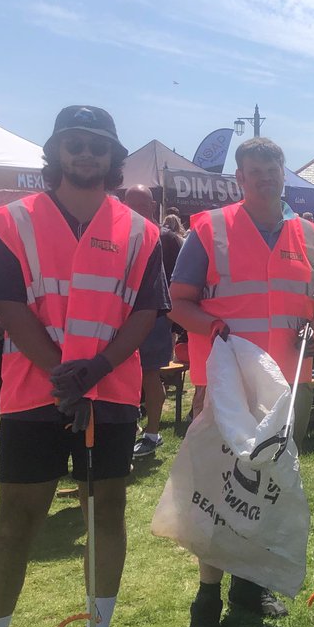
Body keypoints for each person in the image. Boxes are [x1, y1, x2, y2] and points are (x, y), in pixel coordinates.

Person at [0, 105, 167, 627]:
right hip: (34, 394)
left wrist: (95, 372)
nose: (85, 153)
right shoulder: (13, 221)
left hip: (111, 392)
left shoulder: (140, 231)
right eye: (74, 143)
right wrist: (61, 375)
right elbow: (7, 304)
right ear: (56, 152)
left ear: (112, 156)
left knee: (107, 514)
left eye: (96, 145)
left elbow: (144, 311)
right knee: (15, 521)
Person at [168, 137, 314, 627]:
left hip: (287, 386)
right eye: (254, 172)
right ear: (239, 179)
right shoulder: (209, 230)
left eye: (271, 170)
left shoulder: (313, 237)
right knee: (219, 488)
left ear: (283, 172)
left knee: (268, 486)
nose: (264, 179)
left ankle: (249, 585)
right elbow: (179, 303)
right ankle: (207, 593)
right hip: (229, 387)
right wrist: (214, 329)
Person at [121, 185, 173, 459]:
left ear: (152, 206)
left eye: (141, 206)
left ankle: (152, 434)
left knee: (150, 375)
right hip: (127, 316)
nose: (135, 211)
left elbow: (174, 280)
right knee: (127, 375)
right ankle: (132, 429)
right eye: (130, 205)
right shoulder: (122, 233)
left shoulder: (165, 237)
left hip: (154, 316)